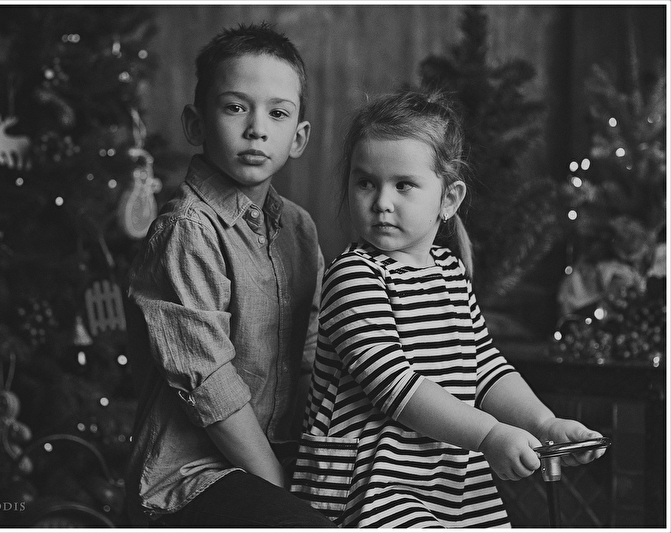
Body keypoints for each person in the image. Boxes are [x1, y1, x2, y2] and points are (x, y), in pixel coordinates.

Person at [290, 90, 607, 528]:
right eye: (365, 182)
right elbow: (395, 385)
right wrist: (489, 434)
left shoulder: (449, 272)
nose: (381, 201)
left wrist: (543, 423)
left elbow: (486, 368)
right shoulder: (355, 276)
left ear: (449, 199)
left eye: (403, 185)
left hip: (449, 481)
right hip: (370, 484)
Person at [123, 21, 334, 527]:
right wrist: (284, 490)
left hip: (283, 457)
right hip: (192, 479)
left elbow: (313, 356)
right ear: (196, 125)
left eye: (277, 113)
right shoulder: (187, 230)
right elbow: (209, 384)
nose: (257, 128)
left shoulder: (299, 229)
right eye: (236, 107)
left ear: (299, 137)